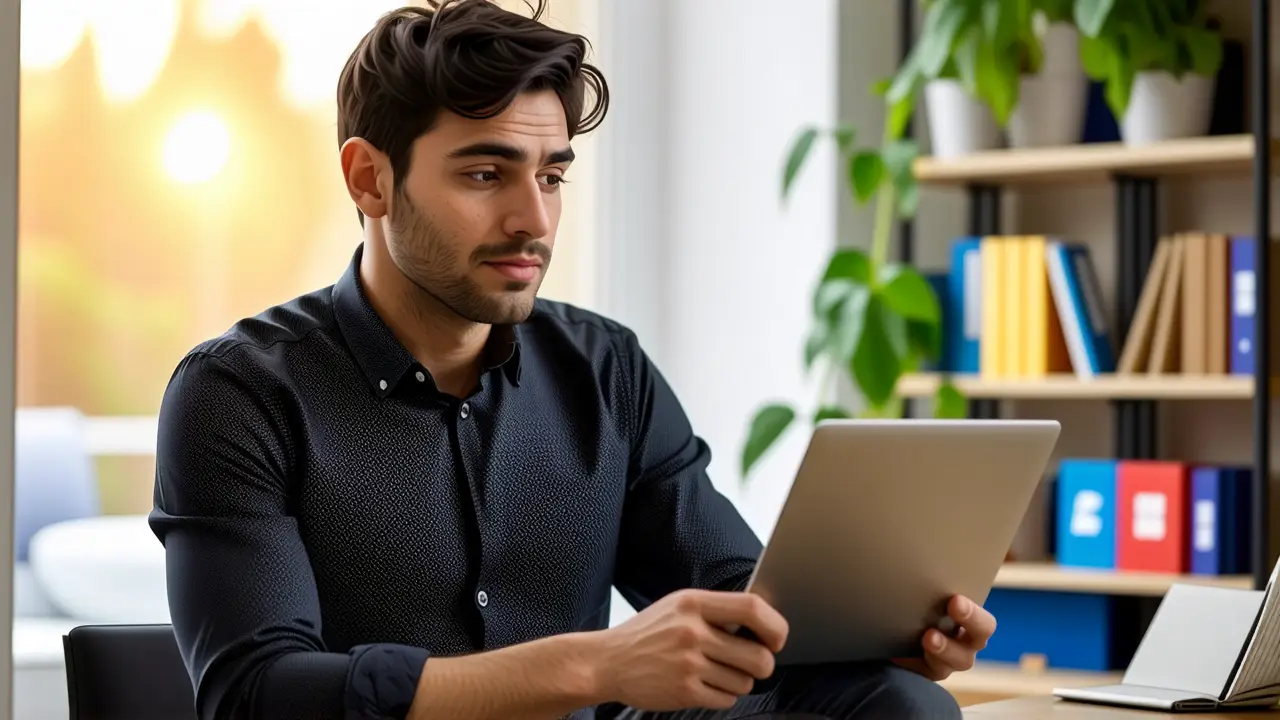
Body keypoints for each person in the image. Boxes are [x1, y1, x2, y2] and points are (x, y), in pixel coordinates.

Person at [149, 2, 992, 718]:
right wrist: (596, 665)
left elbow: (736, 599)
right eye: (487, 174)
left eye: (552, 177)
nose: (535, 220)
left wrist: (871, 631)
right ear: (369, 179)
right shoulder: (239, 392)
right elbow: (255, 693)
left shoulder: (606, 369)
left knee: (896, 698)